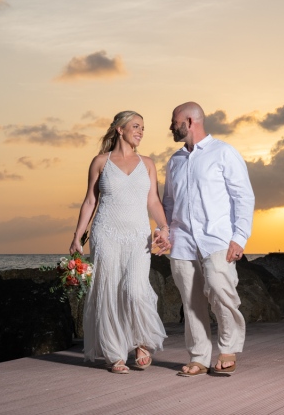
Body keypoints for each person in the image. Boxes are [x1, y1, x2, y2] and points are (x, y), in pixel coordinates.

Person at [69, 110, 170, 374]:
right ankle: (114, 354)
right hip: (106, 234)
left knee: (135, 289)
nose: (140, 131)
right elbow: (90, 200)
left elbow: (153, 201)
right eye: (136, 126)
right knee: (109, 291)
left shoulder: (147, 163)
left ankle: (141, 339)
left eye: (143, 128)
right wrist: (78, 236)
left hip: (138, 235)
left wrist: (165, 228)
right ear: (119, 129)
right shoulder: (100, 162)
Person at [160, 102, 255, 377]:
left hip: (217, 238)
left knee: (220, 288)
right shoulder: (175, 160)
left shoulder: (224, 152)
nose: (170, 126)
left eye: (174, 120)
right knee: (190, 300)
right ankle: (199, 356)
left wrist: (239, 237)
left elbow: (243, 197)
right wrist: (164, 232)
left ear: (190, 121)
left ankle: (228, 349)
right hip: (182, 240)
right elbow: (168, 202)